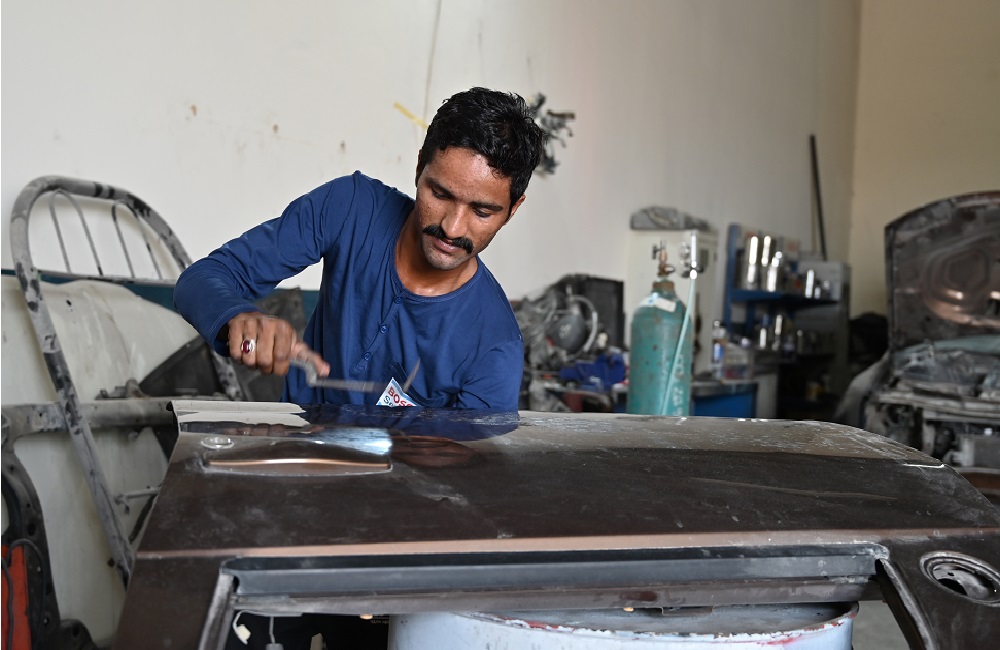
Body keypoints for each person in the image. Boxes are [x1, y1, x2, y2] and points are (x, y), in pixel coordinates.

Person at [175, 87, 547, 411]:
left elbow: (467, 466)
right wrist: (237, 318)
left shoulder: (495, 345)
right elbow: (199, 280)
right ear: (419, 165)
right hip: (298, 451)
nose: (452, 228)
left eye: (482, 212)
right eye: (439, 194)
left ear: (512, 209)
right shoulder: (351, 208)